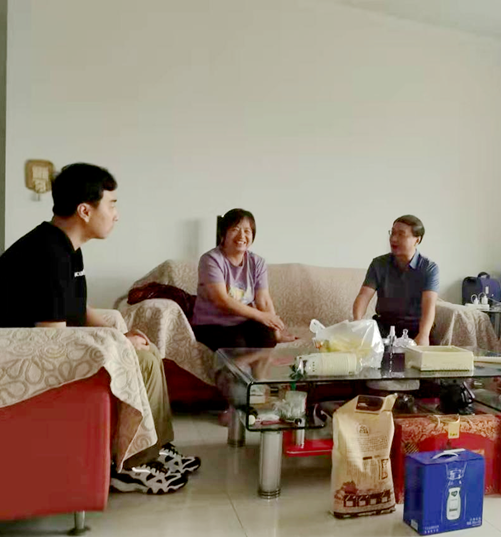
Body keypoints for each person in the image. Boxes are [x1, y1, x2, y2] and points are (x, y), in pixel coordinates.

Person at [0, 163, 199, 494]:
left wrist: (121, 336)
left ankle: (156, 445)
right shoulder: (49, 254)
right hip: (20, 359)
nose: (116, 215)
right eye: (112, 204)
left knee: (146, 350)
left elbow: (78, 309)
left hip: (38, 348)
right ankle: (131, 464)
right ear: (85, 211)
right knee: (140, 360)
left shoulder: (66, 247)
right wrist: (119, 345)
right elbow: (52, 337)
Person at [192, 208, 298, 351]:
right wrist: (261, 316)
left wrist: (276, 334)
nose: (242, 235)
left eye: (247, 231)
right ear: (223, 233)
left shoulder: (257, 262)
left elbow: (264, 300)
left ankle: (260, 367)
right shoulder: (211, 260)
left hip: (243, 322)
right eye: (235, 230)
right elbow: (221, 300)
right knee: (237, 344)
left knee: (267, 337)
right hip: (211, 324)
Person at [353, 215, 439, 346]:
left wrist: (423, 335)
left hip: (417, 327)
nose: (393, 239)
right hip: (384, 326)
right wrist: (357, 322)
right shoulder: (379, 264)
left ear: (417, 240)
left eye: (401, 234)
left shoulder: (429, 268)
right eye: (392, 233)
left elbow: (429, 305)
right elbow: (364, 296)